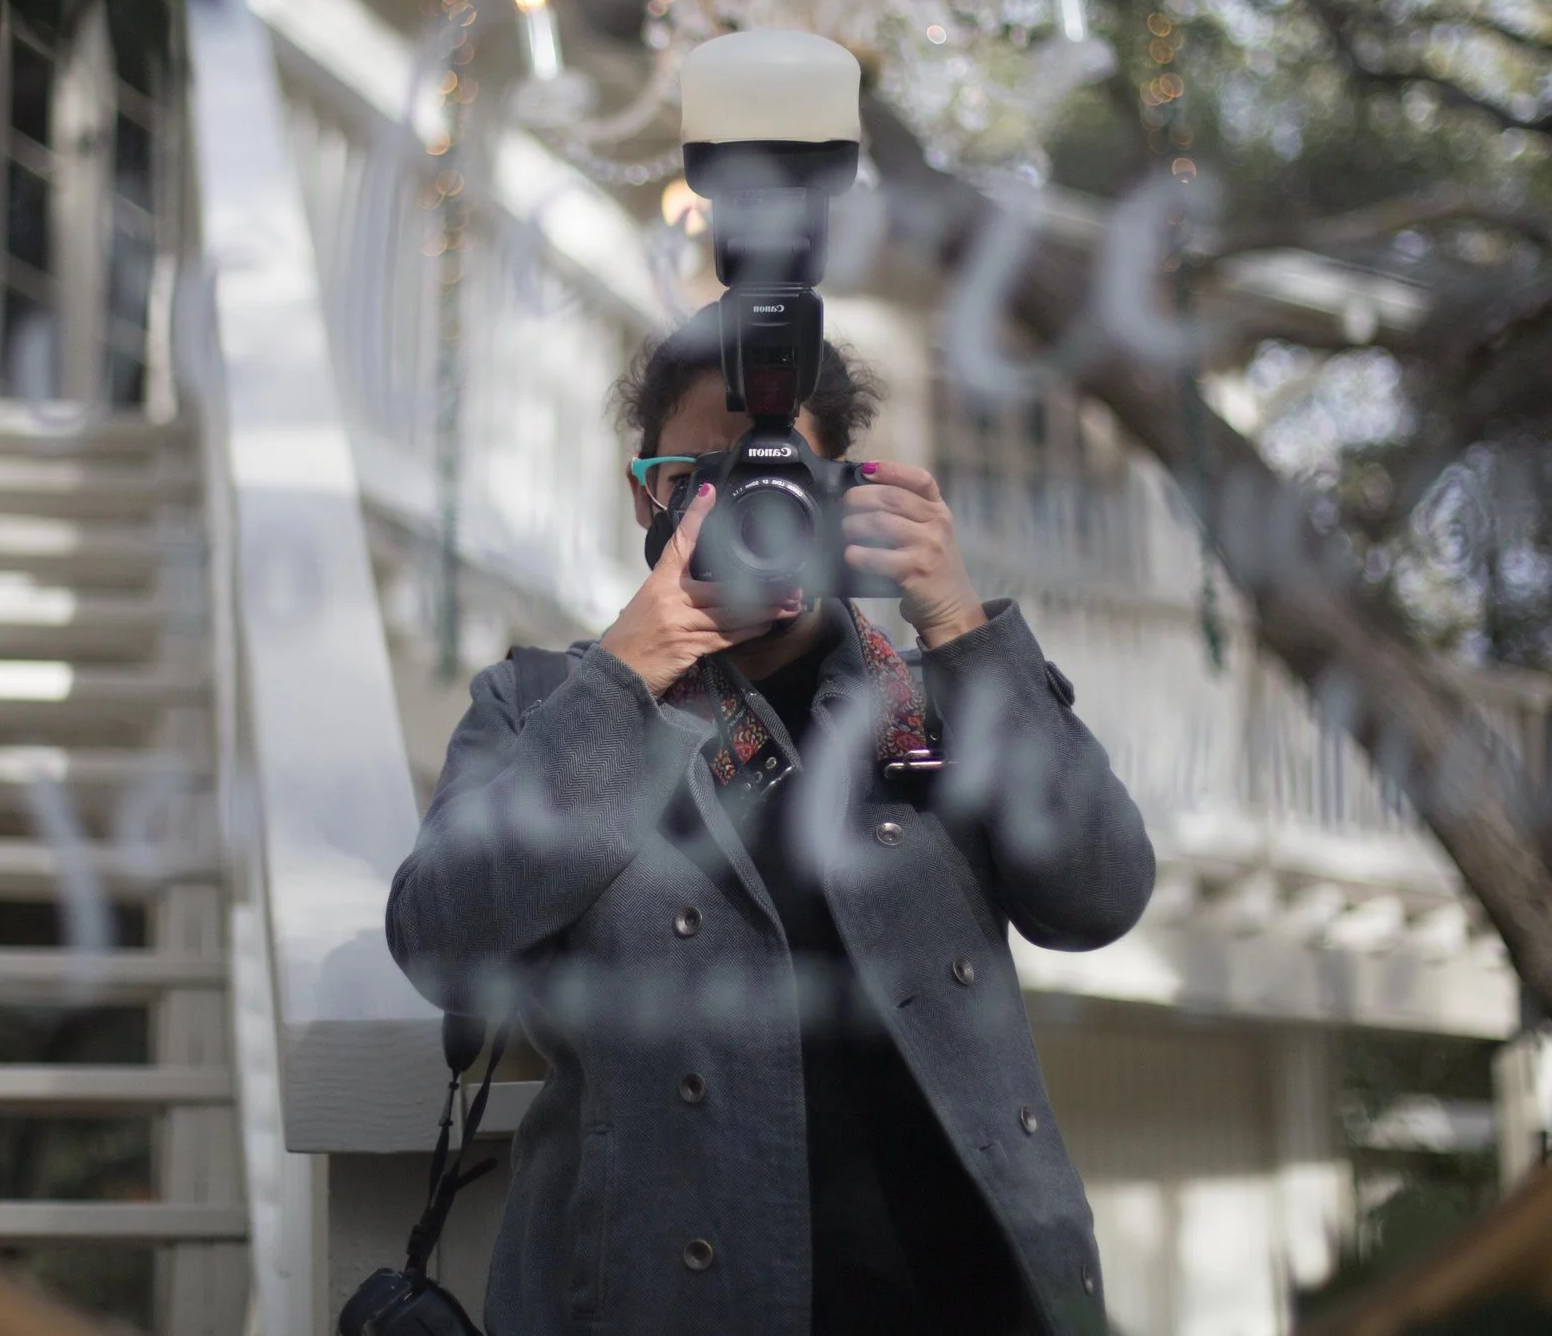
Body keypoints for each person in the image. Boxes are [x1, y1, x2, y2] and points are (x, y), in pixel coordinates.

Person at [385, 302, 1157, 1336]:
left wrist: (962, 627)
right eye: (704, 478)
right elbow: (440, 937)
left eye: (777, 478)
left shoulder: (938, 697)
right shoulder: (543, 708)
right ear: (646, 496)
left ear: (843, 497)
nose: (744, 511)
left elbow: (1098, 892)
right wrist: (628, 673)